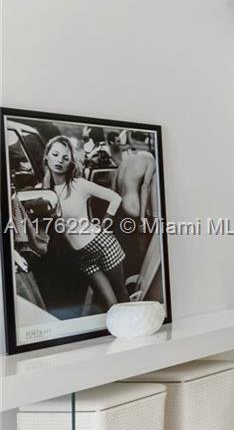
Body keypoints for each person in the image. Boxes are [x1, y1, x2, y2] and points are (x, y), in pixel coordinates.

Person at [39, 135, 128, 313]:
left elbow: (115, 198)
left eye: (65, 157)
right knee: (111, 304)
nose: (59, 161)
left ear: (70, 162)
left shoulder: (79, 184)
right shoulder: (41, 191)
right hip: (82, 257)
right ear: (47, 156)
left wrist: (105, 223)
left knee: (121, 294)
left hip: (102, 245)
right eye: (55, 154)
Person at [112, 130, 158, 288]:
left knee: (126, 248)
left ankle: (125, 280)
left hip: (120, 207)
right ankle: (139, 283)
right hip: (134, 207)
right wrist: (144, 218)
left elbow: (114, 184)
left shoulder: (127, 160)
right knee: (140, 251)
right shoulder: (150, 160)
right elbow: (145, 187)